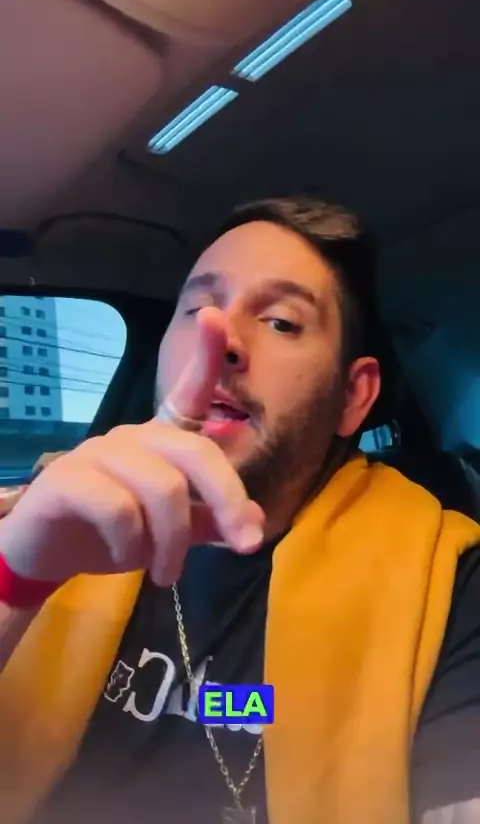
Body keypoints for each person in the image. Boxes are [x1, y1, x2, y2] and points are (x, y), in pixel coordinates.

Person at [0, 196, 479, 824]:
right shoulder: (45, 517)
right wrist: (15, 582)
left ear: (353, 397)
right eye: (198, 310)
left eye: (281, 322)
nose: (220, 340)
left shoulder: (447, 581)